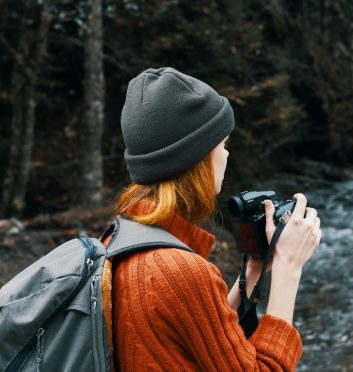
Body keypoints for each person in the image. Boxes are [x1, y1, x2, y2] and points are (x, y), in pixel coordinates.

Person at [103, 67, 322, 370]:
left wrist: (254, 269)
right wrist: (288, 268)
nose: (227, 155)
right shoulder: (180, 272)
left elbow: (206, 339)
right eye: (223, 145)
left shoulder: (120, 241)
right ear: (197, 156)